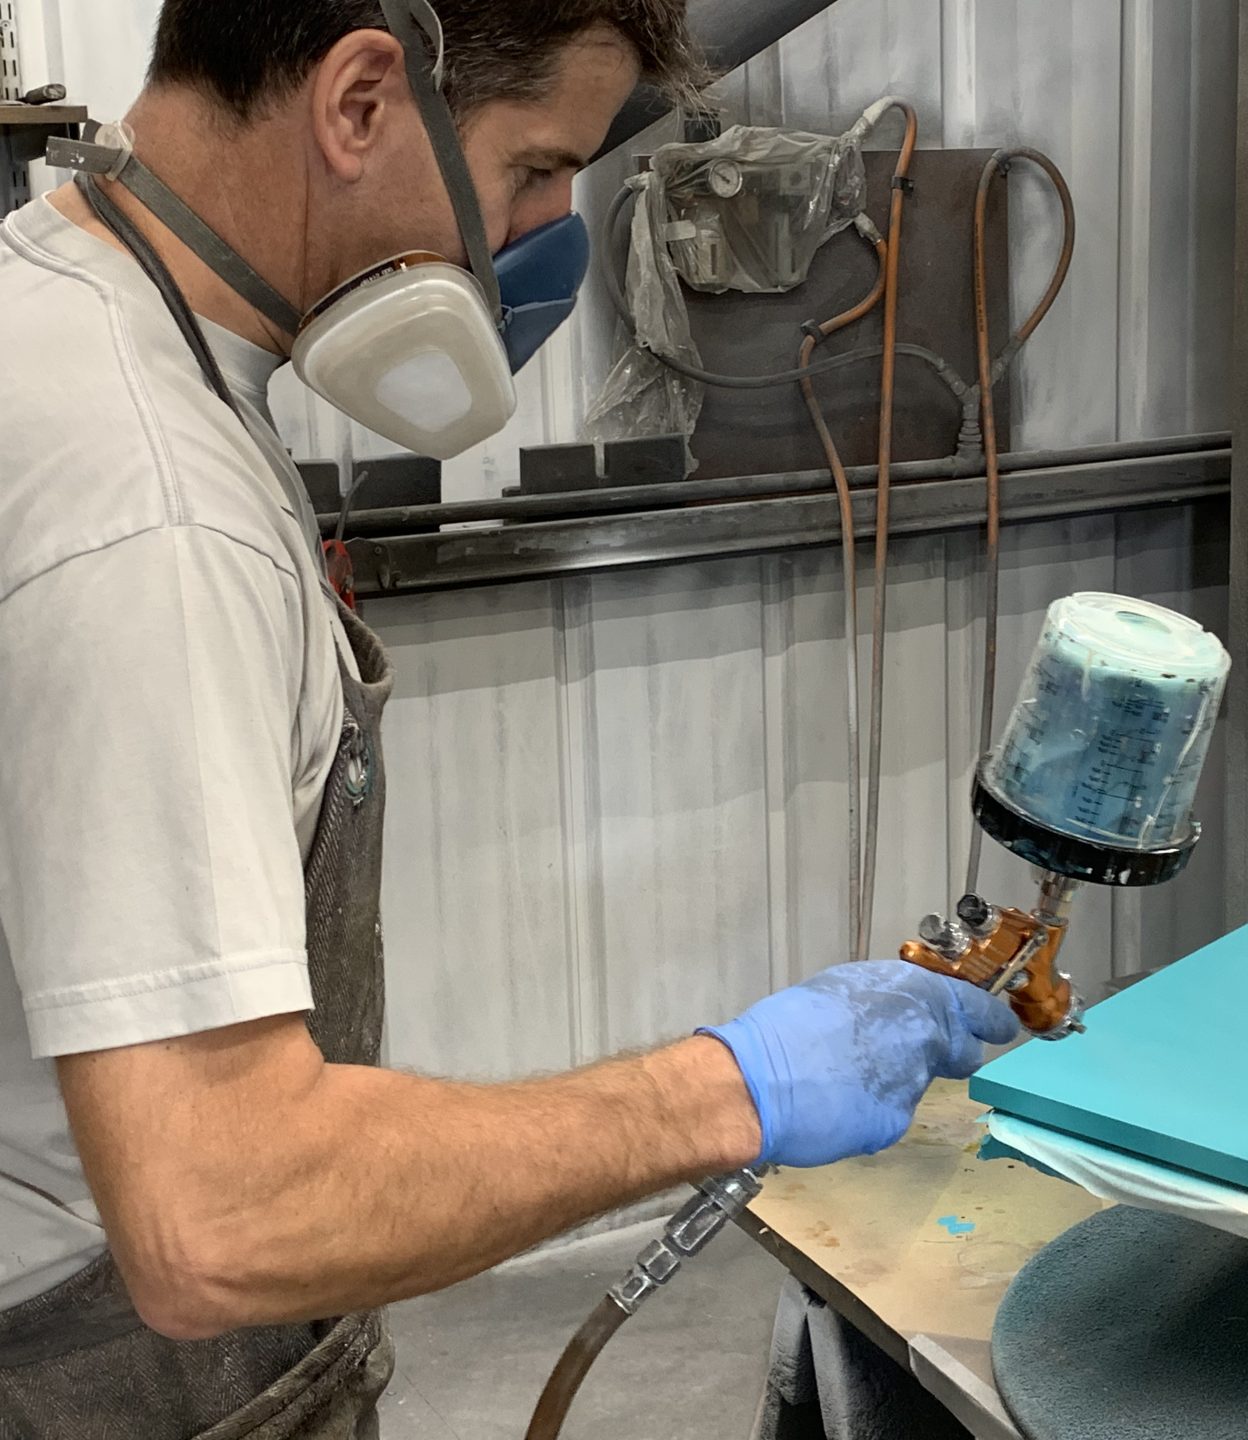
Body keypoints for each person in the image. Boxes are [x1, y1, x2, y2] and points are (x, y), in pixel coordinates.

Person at [0, 2, 1018, 1434]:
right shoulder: (153, 508)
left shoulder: (54, 312)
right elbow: (220, 1211)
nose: (549, 229)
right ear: (361, 100)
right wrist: (725, 1091)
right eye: (535, 168)